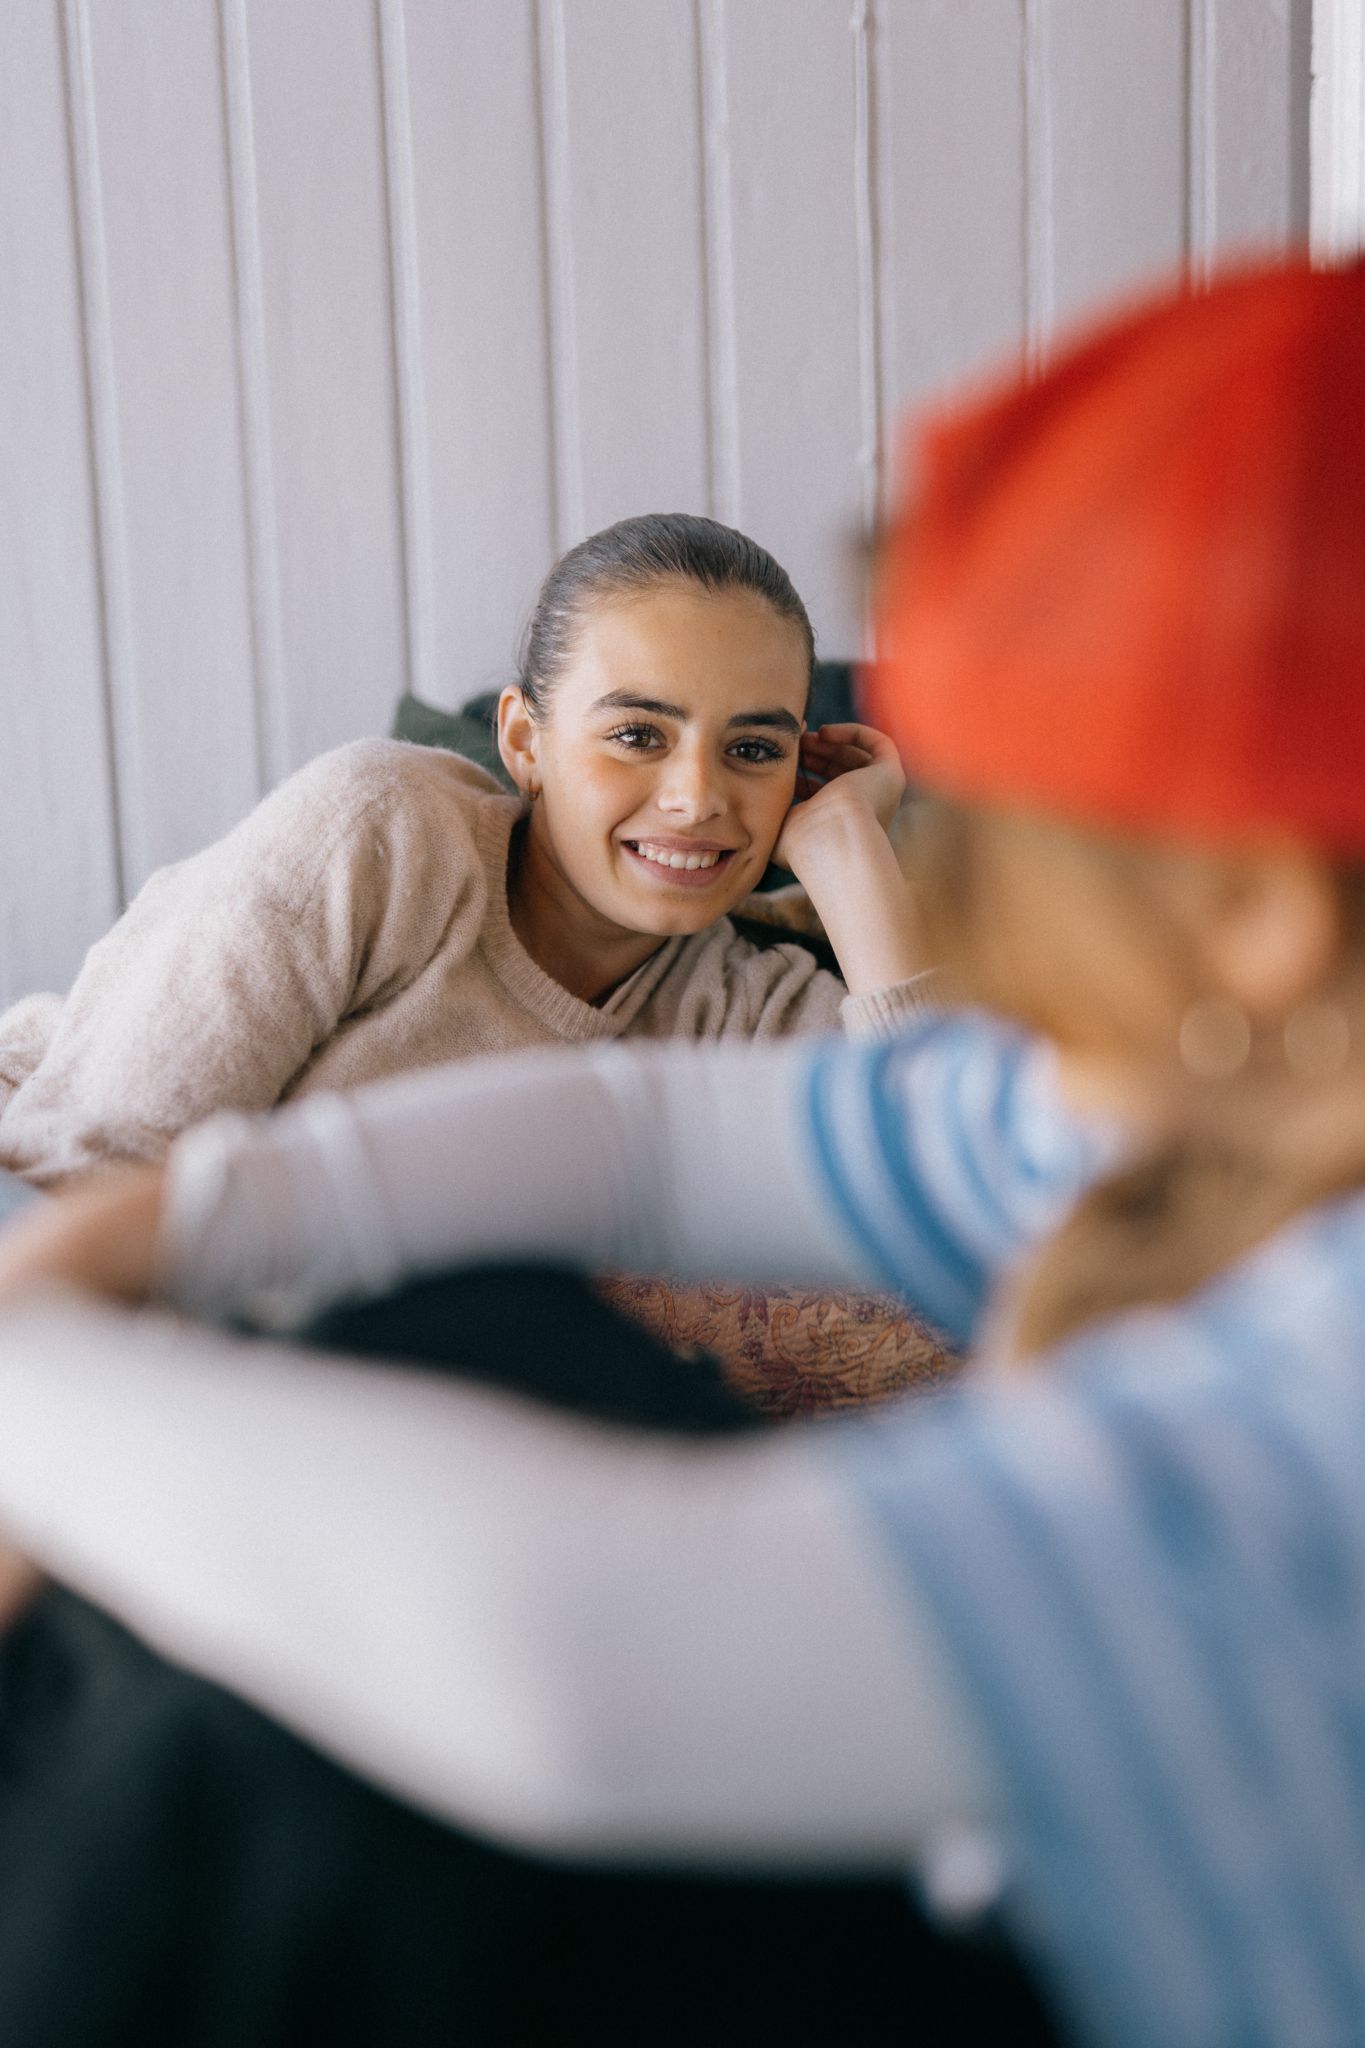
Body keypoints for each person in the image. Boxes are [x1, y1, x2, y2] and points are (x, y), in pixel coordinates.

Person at [4, 253, 1365, 2047]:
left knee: (280, 1740)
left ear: (1258, 921)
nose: (698, 800)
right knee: (470, 1333)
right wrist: (157, 1246)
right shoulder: (1182, 1095)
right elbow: (644, 1130)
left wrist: (863, 862)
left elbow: (586, 1655)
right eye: (636, 736)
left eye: (1022, 854)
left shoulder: (1310, 1363)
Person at [0, 513, 925, 1193]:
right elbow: (85, 1164)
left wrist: (848, 849)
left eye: (754, 750)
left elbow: (957, 1158)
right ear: (524, 743)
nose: (697, 798)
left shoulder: (734, 1006)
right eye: (638, 735)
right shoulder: (380, 831)